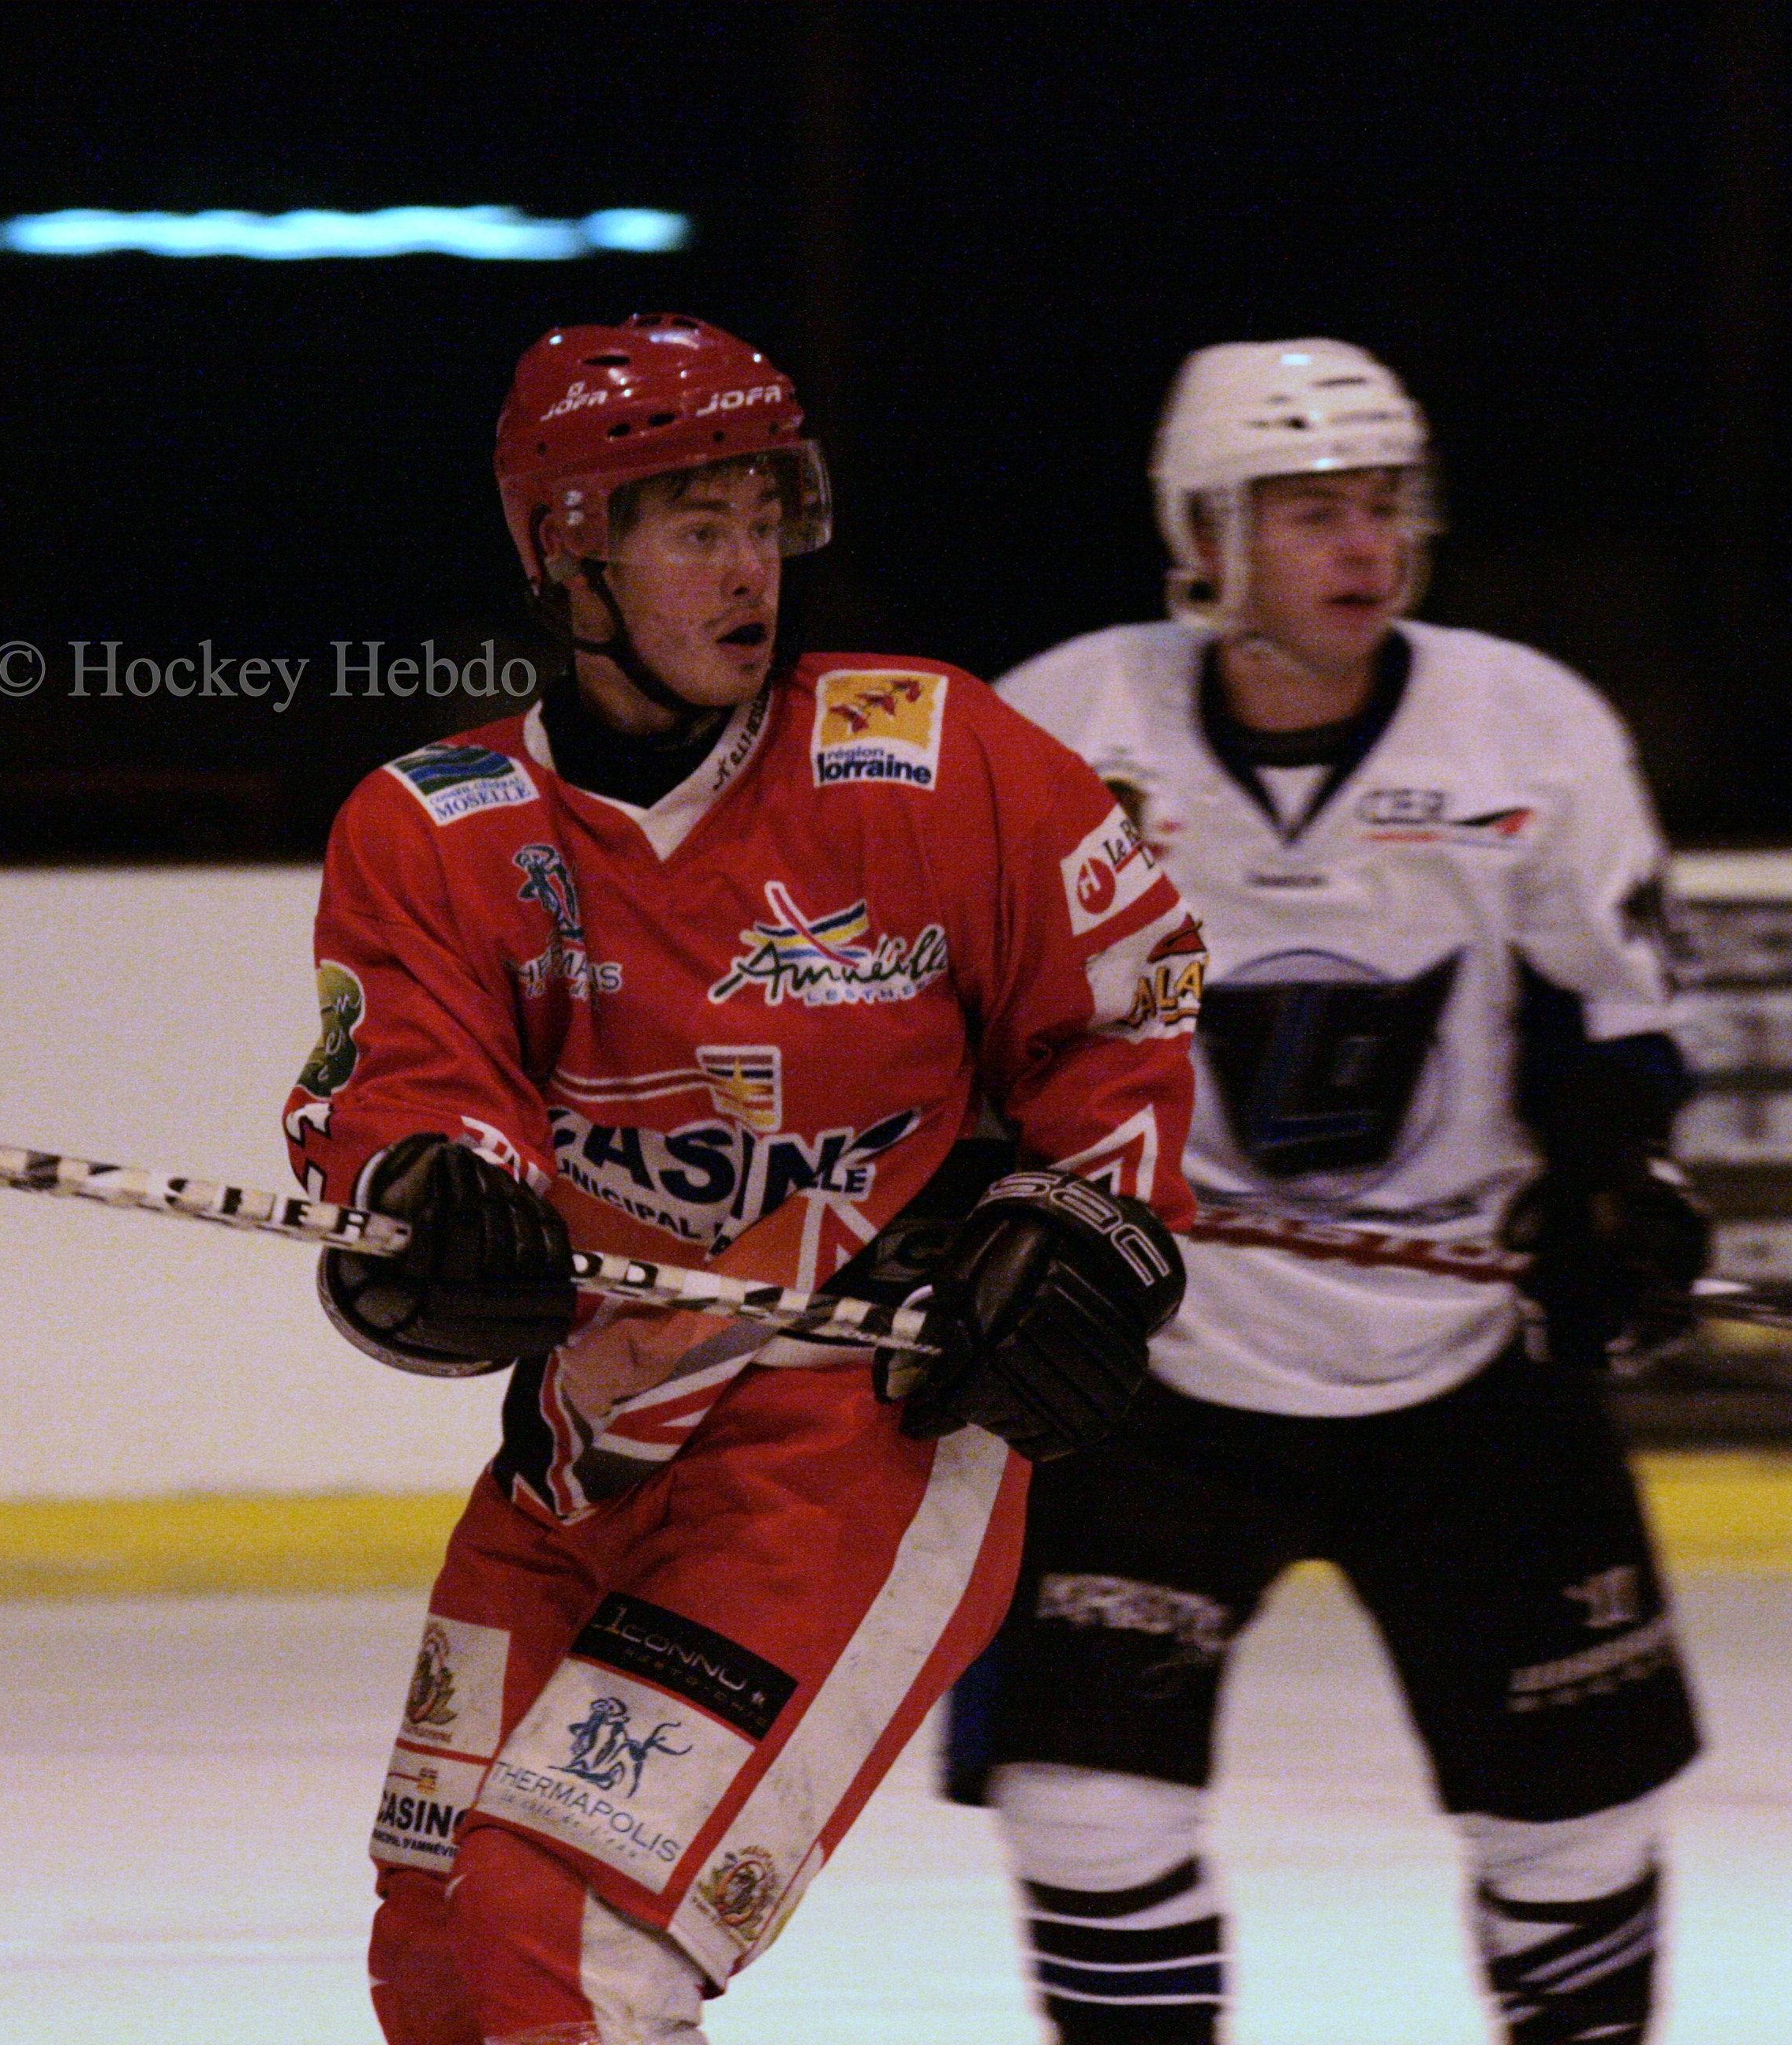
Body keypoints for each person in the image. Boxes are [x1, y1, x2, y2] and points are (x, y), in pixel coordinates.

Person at [282, 312, 1203, 2045]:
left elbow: (1125, 1013)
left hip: (859, 1440)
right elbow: (409, 1087)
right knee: (441, 1961)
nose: (750, 570)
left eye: (766, 523)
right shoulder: (436, 824)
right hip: (589, 1451)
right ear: (571, 552)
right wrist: (433, 1203)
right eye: (697, 528)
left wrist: (1090, 1220)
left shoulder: (931, 757)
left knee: (566, 1943)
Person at [958, 340, 1708, 2045]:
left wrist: (1617, 1187)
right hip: (1153, 1371)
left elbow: (1617, 1019)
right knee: (1082, 1810)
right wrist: (976, 1199)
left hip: (1470, 1363)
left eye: (1384, 504)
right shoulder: (1062, 722)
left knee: (1579, 1826)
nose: (1365, 545)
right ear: (1200, 534)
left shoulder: (1528, 723)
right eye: (1309, 512)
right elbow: (950, 1011)